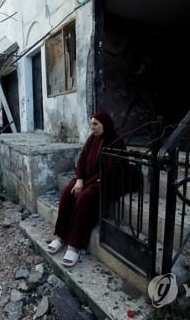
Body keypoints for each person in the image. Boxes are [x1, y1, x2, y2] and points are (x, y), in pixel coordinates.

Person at [47, 111, 125, 267]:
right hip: (88, 179)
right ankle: (61, 236)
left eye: (96, 124)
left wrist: (90, 182)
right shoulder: (92, 139)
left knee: (85, 198)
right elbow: (82, 160)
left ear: (105, 124)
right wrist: (80, 180)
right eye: (91, 124)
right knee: (68, 192)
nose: (93, 128)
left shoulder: (116, 142)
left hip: (105, 182)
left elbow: (113, 171)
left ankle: (75, 245)